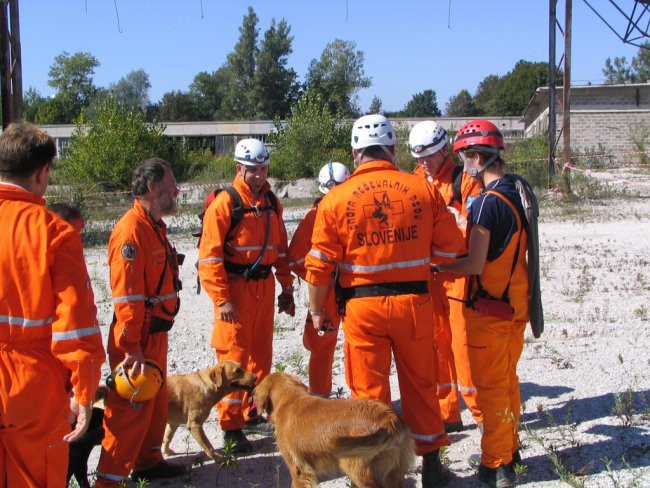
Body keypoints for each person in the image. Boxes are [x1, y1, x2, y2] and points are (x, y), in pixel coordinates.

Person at [305, 114, 465, 488]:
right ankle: (432, 466)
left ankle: (373, 472)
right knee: (421, 386)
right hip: (414, 304)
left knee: (368, 393)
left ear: (355, 153)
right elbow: (452, 247)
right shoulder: (421, 189)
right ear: (392, 149)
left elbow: (319, 266)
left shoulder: (335, 199)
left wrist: (316, 312)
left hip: (363, 310)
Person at [0, 122, 105, 487]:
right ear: (43, 172)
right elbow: (76, 324)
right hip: (31, 385)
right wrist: (84, 391)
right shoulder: (54, 231)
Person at [437, 120, 530, 488]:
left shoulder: (488, 204)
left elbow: (474, 263)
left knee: (490, 390)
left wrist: (440, 265)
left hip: (489, 309)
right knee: (507, 382)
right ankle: (511, 448)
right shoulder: (517, 190)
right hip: (514, 303)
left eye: (465, 159)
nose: (464, 167)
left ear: (477, 157)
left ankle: (495, 466)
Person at [198, 138, 294, 454]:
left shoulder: (271, 202)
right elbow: (209, 257)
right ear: (239, 167)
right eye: (253, 169)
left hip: (263, 288)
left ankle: (252, 414)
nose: (259, 175)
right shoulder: (226, 203)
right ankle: (230, 427)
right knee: (233, 361)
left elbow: (280, 248)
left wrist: (287, 287)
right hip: (236, 290)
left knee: (260, 356)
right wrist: (222, 299)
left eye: (264, 168)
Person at [95, 158, 186, 486]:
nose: (176, 191)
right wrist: (130, 347)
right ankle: (108, 480)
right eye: (170, 185)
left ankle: (148, 462)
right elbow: (128, 298)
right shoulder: (131, 232)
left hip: (153, 336)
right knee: (128, 412)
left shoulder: (152, 225)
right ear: (151, 187)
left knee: (155, 404)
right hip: (138, 339)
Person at [408, 120, 483, 432]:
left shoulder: (464, 180)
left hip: (458, 274)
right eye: (420, 158)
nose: (425, 163)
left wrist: (451, 221)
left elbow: (477, 228)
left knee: (464, 347)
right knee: (436, 346)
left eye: (431, 156)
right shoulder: (415, 182)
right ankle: (447, 413)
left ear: (444, 151)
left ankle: (483, 417)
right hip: (429, 276)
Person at [287, 161, 350, 397]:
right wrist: (320, 279)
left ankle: (362, 395)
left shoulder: (353, 211)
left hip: (352, 287)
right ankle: (319, 396)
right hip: (330, 291)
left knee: (358, 341)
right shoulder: (315, 216)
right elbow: (295, 258)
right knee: (322, 345)